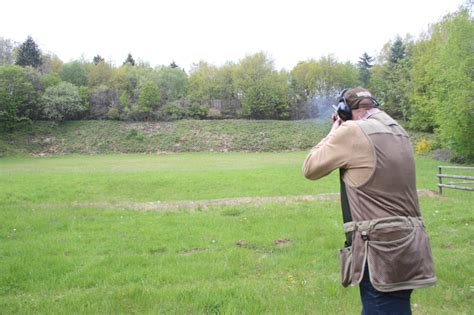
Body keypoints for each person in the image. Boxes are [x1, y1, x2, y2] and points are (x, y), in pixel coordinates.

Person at [302, 87, 436, 314]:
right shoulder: (398, 130)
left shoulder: (353, 131)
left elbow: (310, 168)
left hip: (378, 251)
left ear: (344, 112)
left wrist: (334, 131)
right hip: (410, 244)